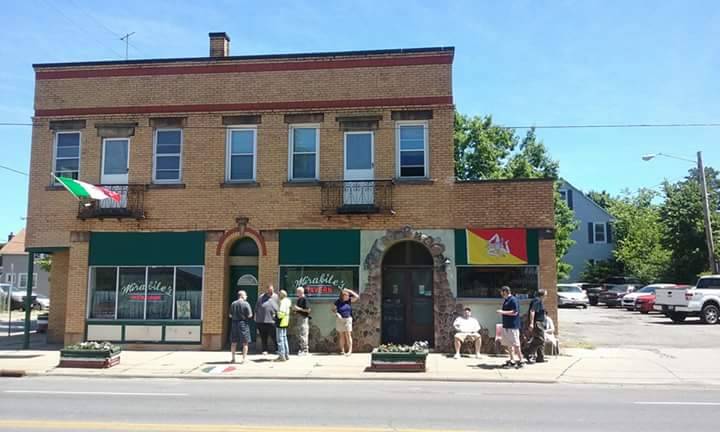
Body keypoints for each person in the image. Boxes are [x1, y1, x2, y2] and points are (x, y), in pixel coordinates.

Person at [497, 285, 523, 369]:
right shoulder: (506, 300)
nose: (501, 294)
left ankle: (521, 361)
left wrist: (502, 312)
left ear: (505, 292)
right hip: (506, 325)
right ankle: (512, 360)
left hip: (513, 326)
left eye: (501, 292)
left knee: (516, 344)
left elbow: (515, 312)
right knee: (509, 344)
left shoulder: (513, 300)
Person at [523, 289, 547, 363]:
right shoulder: (537, 300)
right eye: (545, 295)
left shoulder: (539, 301)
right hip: (537, 323)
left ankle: (540, 357)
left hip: (540, 322)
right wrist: (531, 323)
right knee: (540, 339)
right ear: (542, 295)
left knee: (540, 340)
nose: (546, 297)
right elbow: (532, 311)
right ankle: (527, 352)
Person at [333, 288, 359, 356]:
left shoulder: (349, 301)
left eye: (348, 295)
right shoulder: (338, 302)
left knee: (348, 334)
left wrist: (349, 290)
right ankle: (342, 351)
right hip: (340, 320)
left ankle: (349, 351)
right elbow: (333, 309)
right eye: (346, 295)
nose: (348, 296)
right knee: (341, 335)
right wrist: (337, 314)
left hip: (348, 319)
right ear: (343, 296)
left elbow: (357, 296)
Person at [229, 290, 253, 363]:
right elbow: (250, 315)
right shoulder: (246, 304)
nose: (246, 297)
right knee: (245, 342)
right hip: (243, 324)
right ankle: (243, 359)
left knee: (233, 342)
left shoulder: (233, 303)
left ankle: (233, 359)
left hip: (234, 323)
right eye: (245, 295)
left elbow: (230, 315)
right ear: (242, 296)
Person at [255, 284, 278, 355]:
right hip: (261, 320)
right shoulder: (261, 297)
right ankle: (265, 349)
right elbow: (256, 308)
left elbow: (279, 307)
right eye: (270, 290)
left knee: (274, 336)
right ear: (267, 290)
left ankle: (277, 349)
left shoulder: (276, 297)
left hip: (272, 320)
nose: (271, 291)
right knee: (263, 336)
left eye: (272, 290)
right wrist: (256, 317)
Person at [293, 287, 312, 356]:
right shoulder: (299, 299)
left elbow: (308, 310)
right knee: (300, 334)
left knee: (303, 334)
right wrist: (295, 310)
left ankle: (305, 350)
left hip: (303, 318)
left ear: (301, 292)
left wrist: (299, 309)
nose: (296, 293)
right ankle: (302, 349)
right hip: (299, 318)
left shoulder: (304, 299)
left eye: (297, 292)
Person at [275, 289, 291, 362]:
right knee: (284, 338)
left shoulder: (283, 302)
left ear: (282, 295)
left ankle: (282, 356)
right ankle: (286, 355)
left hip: (281, 321)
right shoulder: (288, 301)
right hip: (285, 321)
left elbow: (281, 313)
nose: (278, 295)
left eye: (279, 294)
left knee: (280, 339)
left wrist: (276, 314)